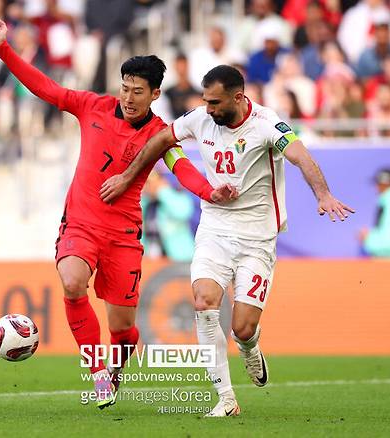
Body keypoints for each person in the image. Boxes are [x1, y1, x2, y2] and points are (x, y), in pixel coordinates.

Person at [0, 20, 237, 409]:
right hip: (81, 224)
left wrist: (209, 192)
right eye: (125, 88)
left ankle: (114, 366)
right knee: (71, 282)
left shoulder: (160, 133)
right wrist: (4, 49)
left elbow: (181, 168)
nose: (128, 98)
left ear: (154, 94)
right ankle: (97, 369)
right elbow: (46, 88)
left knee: (124, 330)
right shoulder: (91, 105)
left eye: (138, 92)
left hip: (124, 237)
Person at [100, 65, 354, 417]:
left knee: (242, 327)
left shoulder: (267, 124)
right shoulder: (201, 118)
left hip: (257, 237)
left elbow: (299, 155)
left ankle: (250, 348)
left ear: (238, 97)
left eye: (215, 102)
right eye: (206, 101)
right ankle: (226, 399)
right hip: (215, 228)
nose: (209, 109)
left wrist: (323, 194)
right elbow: (160, 140)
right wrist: (128, 176)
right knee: (204, 303)